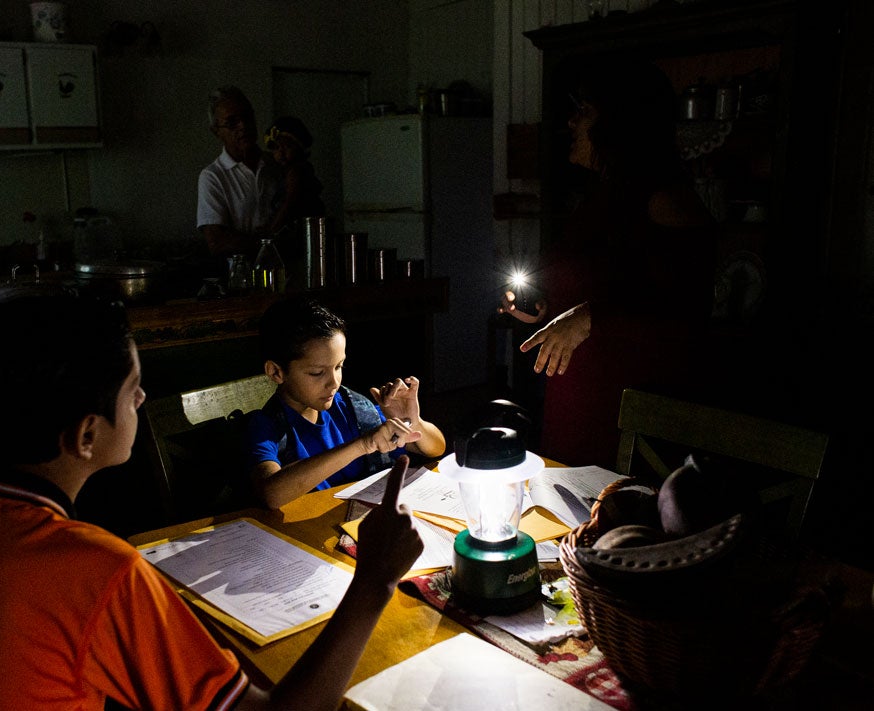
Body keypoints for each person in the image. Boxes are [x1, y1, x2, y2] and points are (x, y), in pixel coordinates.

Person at [0, 294, 424, 710]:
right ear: (87, 436)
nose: (144, 397)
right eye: (131, 389)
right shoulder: (100, 571)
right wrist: (372, 580)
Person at [498, 57, 718, 469]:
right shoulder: (602, 195)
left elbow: (685, 314)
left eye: (584, 112)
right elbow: (593, 281)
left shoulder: (666, 200)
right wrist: (541, 305)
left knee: (615, 515)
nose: (571, 123)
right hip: (576, 400)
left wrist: (589, 317)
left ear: (621, 121)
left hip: (626, 408)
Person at [246, 296, 446, 509]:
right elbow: (271, 494)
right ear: (276, 372)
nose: (334, 383)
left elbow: (435, 448)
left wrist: (412, 421)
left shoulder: (352, 409)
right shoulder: (264, 425)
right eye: (317, 373)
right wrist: (362, 445)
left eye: (338, 366)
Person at [197, 86, 282, 261]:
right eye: (231, 122)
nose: (243, 126)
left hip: (285, 275)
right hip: (243, 279)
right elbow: (217, 242)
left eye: (247, 117)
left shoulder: (275, 164)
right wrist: (268, 242)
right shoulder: (213, 177)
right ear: (217, 131)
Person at [262, 115, 326, 239]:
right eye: (276, 148)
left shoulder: (296, 171)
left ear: (300, 148)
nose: (281, 152)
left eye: (287, 146)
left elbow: (289, 204)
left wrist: (271, 230)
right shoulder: (282, 172)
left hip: (301, 232)